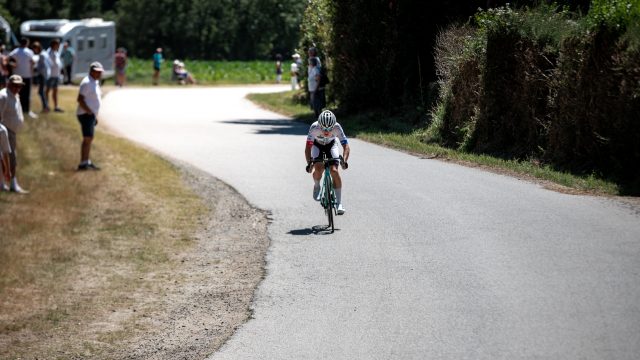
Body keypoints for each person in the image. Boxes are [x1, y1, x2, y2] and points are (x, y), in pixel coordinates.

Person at [304, 110, 350, 215]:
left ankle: (339, 204)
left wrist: (344, 160)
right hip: (317, 146)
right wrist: (309, 163)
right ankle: (317, 185)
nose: (326, 131)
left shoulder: (337, 127)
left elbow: (346, 146)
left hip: (331, 145)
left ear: (333, 125)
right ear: (319, 124)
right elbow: (308, 148)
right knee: (319, 168)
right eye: (323, 128)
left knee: (334, 170)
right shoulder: (314, 127)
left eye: (329, 128)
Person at [0, 75, 28, 193]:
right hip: (5, 131)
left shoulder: (15, 95)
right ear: (9, 84)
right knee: (10, 158)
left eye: (19, 86)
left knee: (7, 158)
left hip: (11, 131)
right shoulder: (3, 96)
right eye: (15, 85)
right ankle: (12, 184)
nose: (17, 88)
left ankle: (4, 184)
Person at [76, 62, 103, 170]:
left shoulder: (94, 81)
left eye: (100, 72)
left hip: (90, 115)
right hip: (85, 114)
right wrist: (89, 112)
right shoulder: (87, 82)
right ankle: (83, 163)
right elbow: (80, 99)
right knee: (87, 138)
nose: (99, 73)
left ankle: (86, 161)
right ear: (92, 71)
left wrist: (94, 115)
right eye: (97, 71)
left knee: (89, 138)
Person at [8, 38, 37, 119]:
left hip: (17, 76)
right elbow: (33, 62)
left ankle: (17, 109)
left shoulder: (15, 51)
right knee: (26, 94)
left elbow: (8, 59)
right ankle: (26, 110)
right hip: (27, 75)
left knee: (17, 93)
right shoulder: (29, 51)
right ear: (27, 43)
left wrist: (13, 65)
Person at [46, 39, 63, 112]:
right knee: (47, 90)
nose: (58, 46)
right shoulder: (49, 52)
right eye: (57, 44)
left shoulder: (56, 52)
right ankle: (46, 105)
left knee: (55, 91)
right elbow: (48, 63)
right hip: (51, 75)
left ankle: (56, 106)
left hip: (56, 75)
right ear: (53, 44)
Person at [32, 41, 50, 113]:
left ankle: (46, 107)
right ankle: (46, 106)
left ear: (37, 48)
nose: (34, 50)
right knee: (41, 92)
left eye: (34, 49)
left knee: (41, 92)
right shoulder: (44, 54)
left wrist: (36, 70)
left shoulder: (42, 55)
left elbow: (43, 66)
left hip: (42, 75)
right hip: (44, 75)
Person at [0, 123, 12, 191]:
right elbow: (5, 151)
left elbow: (5, 152)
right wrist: (7, 171)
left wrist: (7, 170)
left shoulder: (2, 130)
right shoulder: (2, 130)